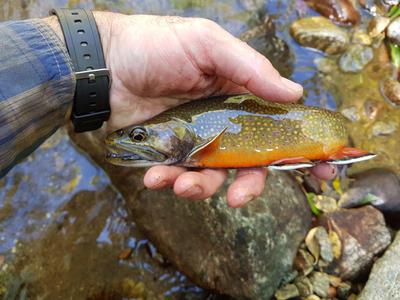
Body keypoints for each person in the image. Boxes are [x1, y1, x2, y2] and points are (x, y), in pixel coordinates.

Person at [0, 11, 336, 207]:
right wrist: (104, 49)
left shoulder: (195, 141)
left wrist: (105, 51)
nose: (132, 139)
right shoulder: (188, 140)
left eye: (141, 135)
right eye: (139, 135)